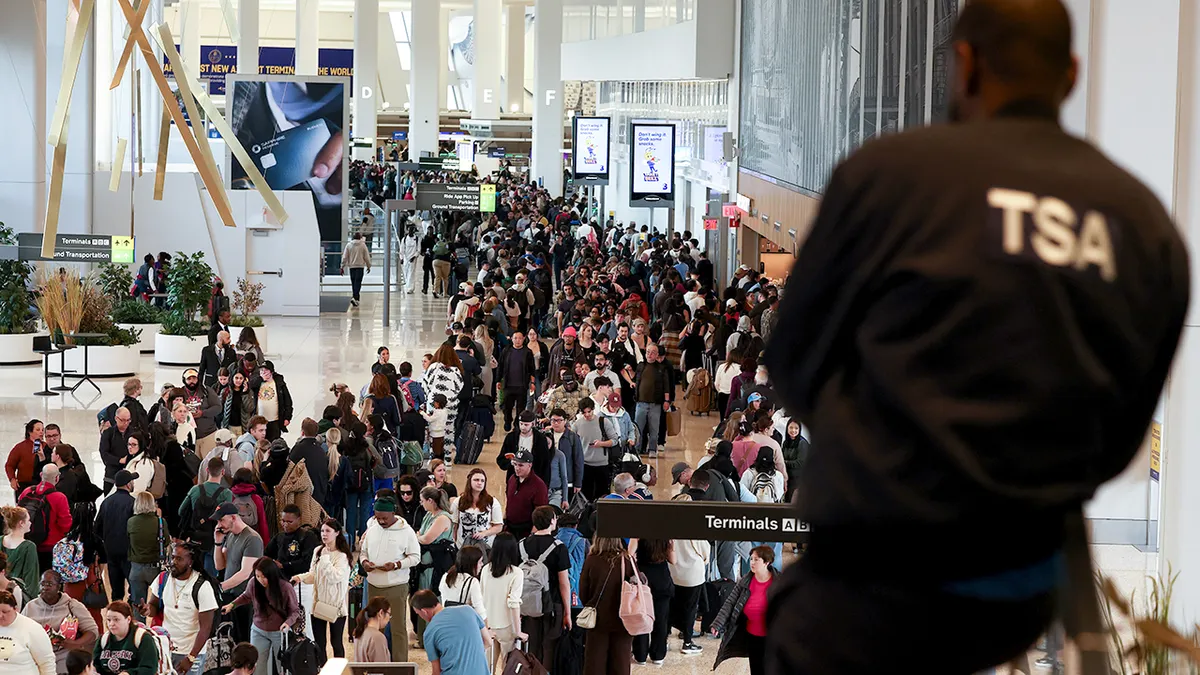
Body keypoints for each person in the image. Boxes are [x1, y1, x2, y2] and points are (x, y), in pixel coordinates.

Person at [764, 2, 1193, 673]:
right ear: (1071, 74)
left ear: (963, 66)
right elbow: (1120, 435)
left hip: (870, 586)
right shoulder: (1144, 225)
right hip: (1016, 597)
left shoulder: (889, 176)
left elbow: (792, 364)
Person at [358, 497, 421, 660]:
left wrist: (397, 565)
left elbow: (415, 557)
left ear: (393, 513)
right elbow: (363, 551)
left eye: (384, 518)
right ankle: (376, 661)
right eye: (378, 518)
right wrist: (364, 562)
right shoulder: (372, 529)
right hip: (374, 584)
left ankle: (400, 665)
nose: (381, 521)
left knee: (397, 628)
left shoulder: (406, 531)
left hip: (396, 585)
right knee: (373, 626)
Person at [144, 541, 219, 675]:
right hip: (165, 648)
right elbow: (154, 606)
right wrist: (147, 610)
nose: (173, 562)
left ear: (190, 562)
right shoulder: (163, 579)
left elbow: (206, 628)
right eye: (172, 557)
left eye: (179, 559)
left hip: (190, 653)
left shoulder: (202, 586)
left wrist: (191, 657)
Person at [221, 558, 299, 675]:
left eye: (263, 577)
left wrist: (287, 623)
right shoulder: (253, 583)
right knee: (257, 667)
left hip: (280, 632)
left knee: (282, 667)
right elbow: (246, 596)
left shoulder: (285, 587)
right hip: (258, 630)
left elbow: (295, 611)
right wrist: (232, 605)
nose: (260, 580)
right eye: (257, 576)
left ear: (272, 575)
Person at [291, 518, 351, 665]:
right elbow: (314, 575)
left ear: (337, 533)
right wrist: (300, 577)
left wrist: (325, 560)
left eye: (328, 531)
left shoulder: (342, 556)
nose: (324, 534)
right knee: (319, 643)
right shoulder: (318, 551)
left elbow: (335, 577)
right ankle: (322, 669)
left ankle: (339, 671)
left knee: (336, 643)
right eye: (323, 531)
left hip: (336, 607)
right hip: (318, 604)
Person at [519, 506, 571, 667]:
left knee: (530, 647)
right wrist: (567, 612)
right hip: (552, 604)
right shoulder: (559, 547)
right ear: (552, 521)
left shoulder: (521, 545)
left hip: (526, 605)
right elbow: (564, 582)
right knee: (549, 648)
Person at [711, 545, 775, 675]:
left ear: (767, 562)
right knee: (756, 668)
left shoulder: (777, 581)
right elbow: (730, 602)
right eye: (751, 559)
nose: (752, 562)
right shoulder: (746, 580)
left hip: (771, 637)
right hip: (752, 635)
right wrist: (718, 623)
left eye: (756, 560)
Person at [21, 570, 99, 674]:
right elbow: (19, 630)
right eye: (42, 584)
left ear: (59, 587)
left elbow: (93, 631)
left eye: (49, 584)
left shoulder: (72, 605)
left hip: (63, 655)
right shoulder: (30, 606)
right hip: (35, 656)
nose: (44, 587)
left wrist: (76, 644)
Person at [579, 537, 636, 675]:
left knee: (595, 663)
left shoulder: (591, 560)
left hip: (598, 619)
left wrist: (591, 604)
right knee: (621, 661)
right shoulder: (627, 560)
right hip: (623, 618)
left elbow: (583, 592)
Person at [212, 501, 263, 643]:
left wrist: (219, 587)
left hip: (245, 598)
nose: (219, 524)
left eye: (221, 520)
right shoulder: (231, 535)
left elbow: (245, 573)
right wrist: (217, 543)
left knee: (244, 641)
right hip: (230, 597)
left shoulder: (252, 539)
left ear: (233, 518)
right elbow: (220, 566)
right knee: (230, 639)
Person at [668, 494, 709, 657]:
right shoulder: (694, 525)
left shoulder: (669, 525)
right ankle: (687, 641)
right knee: (690, 608)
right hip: (693, 573)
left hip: (674, 571)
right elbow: (704, 549)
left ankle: (665, 636)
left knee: (673, 606)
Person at [412, 589, 489, 675]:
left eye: (418, 614)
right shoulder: (469, 610)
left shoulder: (429, 632)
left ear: (424, 612)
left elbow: (437, 671)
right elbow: (488, 642)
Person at [481, 533, 525, 672]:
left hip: (488, 625)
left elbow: (481, 597)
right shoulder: (516, 572)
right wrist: (518, 631)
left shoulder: (485, 569)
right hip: (507, 626)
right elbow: (514, 604)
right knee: (508, 667)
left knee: (487, 667)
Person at [16, 464, 72, 573]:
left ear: (41, 475)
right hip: (49, 548)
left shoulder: (27, 491)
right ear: (57, 478)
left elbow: (17, 513)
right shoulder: (59, 497)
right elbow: (66, 525)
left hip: (27, 543)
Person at [93, 470, 137, 602]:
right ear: (128, 484)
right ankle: (130, 614)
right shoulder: (133, 502)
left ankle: (116, 611)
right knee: (133, 586)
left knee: (116, 590)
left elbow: (97, 528)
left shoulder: (106, 502)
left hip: (110, 551)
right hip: (129, 551)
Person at [93, 601, 159, 675]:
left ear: (128, 619)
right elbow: (95, 666)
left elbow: (150, 669)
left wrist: (129, 673)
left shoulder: (143, 638)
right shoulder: (103, 639)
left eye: (116, 619)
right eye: (108, 620)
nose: (111, 624)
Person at [0, 589, 56, 675]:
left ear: (16, 609)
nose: (0, 616)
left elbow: (47, 662)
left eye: (5, 612)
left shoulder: (32, 628)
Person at [633, 343, 672, 458]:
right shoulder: (641, 366)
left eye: (653, 352)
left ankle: (652, 449)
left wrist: (666, 401)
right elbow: (636, 379)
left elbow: (666, 386)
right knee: (638, 428)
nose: (650, 355)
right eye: (648, 352)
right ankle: (637, 449)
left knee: (654, 429)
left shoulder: (661, 369)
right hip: (641, 403)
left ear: (657, 355)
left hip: (656, 404)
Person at [126, 492, 163, 609]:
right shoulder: (159, 522)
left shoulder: (131, 522)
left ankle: (139, 626)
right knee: (158, 604)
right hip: (154, 567)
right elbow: (166, 541)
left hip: (136, 567)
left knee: (138, 605)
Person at [452, 469, 503, 551]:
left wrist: (484, 533)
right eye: (476, 480)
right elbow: (454, 525)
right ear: (469, 482)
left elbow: (499, 526)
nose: (479, 483)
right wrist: (453, 542)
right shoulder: (458, 501)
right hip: (463, 547)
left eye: (482, 481)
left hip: (485, 547)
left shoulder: (492, 502)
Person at [497, 411, 552, 486]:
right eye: (521, 424)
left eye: (526, 425)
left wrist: (545, 485)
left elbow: (546, 464)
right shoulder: (511, 438)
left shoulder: (540, 439)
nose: (523, 427)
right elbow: (500, 460)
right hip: (515, 481)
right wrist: (511, 462)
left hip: (534, 481)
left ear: (532, 424)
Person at [503, 450, 549, 540]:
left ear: (530, 465)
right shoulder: (512, 479)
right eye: (515, 464)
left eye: (521, 465)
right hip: (509, 528)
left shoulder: (539, 485)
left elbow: (540, 513)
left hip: (526, 531)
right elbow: (508, 500)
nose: (517, 468)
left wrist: (533, 534)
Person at [498, 330, 536, 431]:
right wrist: (498, 380)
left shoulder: (527, 352)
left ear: (523, 339)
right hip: (508, 384)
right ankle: (507, 420)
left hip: (521, 385)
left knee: (520, 407)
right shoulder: (506, 351)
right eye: (515, 338)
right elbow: (500, 366)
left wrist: (532, 382)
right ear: (512, 339)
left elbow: (532, 369)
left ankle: (517, 425)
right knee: (507, 406)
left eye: (520, 338)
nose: (517, 340)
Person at [288, 419, 331, 507]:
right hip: (319, 494)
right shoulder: (321, 450)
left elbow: (289, 469)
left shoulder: (298, 449)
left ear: (302, 431)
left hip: (302, 494)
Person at [439, 546, 487, 620]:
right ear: (472, 564)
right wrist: (488, 630)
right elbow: (480, 612)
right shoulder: (472, 582)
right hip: (464, 623)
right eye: (480, 562)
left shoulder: (446, 577)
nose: (482, 564)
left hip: (446, 620)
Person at [0, 507, 37, 600]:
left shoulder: (0, 540)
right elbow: (31, 580)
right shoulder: (29, 547)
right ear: (21, 523)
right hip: (18, 596)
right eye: (28, 520)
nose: (30, 523)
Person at [251, 361, 293, 441]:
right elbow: (251, 385)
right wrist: (260, 379)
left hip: (274, 421)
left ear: (271, 371)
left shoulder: (279, 383)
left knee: (274, 441)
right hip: (260, 420)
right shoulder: (258, 382)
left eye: (266, 370)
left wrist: (287, 417)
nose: (263, 372)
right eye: (261, 370)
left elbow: (287, 401)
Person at [7, 419, 45, 497]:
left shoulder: (46, 446)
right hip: (23, 485)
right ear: (30, 432)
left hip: (41, 485)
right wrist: (12, 479)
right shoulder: (20, 447)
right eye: (38, 430)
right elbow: (9, 465)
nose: (41, 432)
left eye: (42, 430)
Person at [352, 598, 392, 662]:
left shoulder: (360, 631)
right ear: (381, 613)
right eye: (389, 614)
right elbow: (382, 668)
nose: (389, 618)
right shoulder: (378, 637)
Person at [341, 232, 372, 306]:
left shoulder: (349, 245)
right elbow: (366, 257)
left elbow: (345, 257)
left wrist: (342, 266)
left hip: (352, 267)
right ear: (360, 238)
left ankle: (355, 298)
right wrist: (368, 266)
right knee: (358, 283)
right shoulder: (363, 245)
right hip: (360, 267)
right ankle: (355, 298)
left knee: (353, 283)